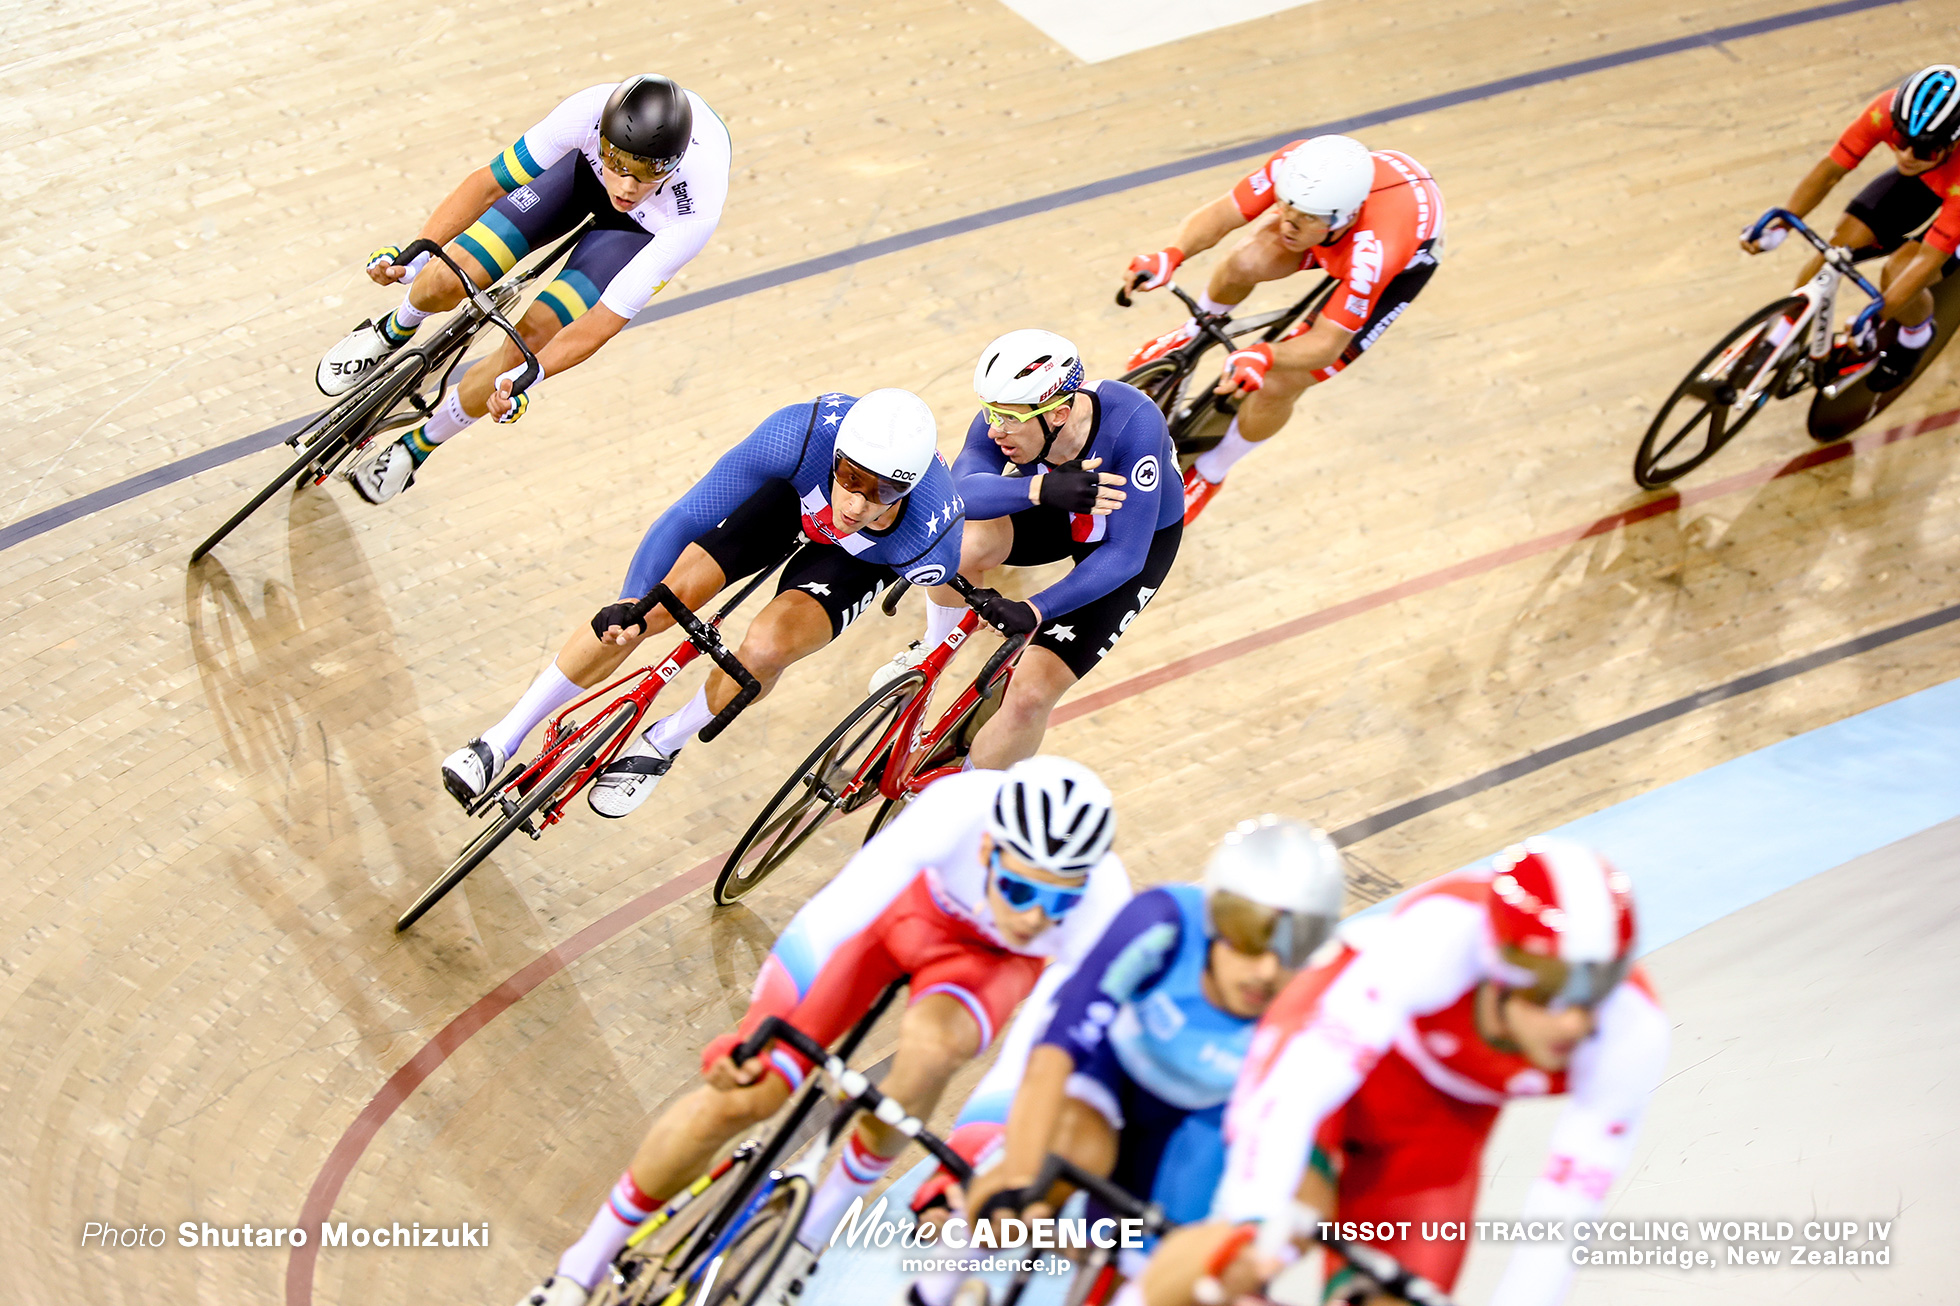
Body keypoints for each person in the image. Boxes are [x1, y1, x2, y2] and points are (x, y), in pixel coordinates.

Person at [511, 757, 1133, 1306]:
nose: (1031, 917)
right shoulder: (957, 808)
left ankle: (811, 1233)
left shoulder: (1105, 907)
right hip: (899, 918)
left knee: (932, 1055)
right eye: (1020, 887)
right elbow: (836, 914)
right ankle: (581, 1265)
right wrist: (756, 1033)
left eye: (1056, 901)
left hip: (984, 969)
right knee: (742, 1097)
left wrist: (972, 1162)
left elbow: (1033, 1058)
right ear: (989, 848)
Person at [1137, 837, 1669, 1306]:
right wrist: (1251, 1217)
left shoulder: (1630, 1029)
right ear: (1495, 964)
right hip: (1330, 1060)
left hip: (1436, 1131)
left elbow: (1568, 1205)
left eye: (1597, 987)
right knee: (1253, 1245)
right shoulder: (1438, 936)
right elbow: (1300, 1091)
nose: (1574, 1020)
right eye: (1550, 987)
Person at [440, 388, 961, 819]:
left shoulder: (929, 536)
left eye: (880, 494)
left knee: (765, 648)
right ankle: (499, 739)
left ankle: (664, 741)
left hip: (860, 561)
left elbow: (950, 597)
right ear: (836, 455)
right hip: (790, 504)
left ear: (909, 489)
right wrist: (632, 600)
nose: (855, 504)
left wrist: (934, 651)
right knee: (644, 613)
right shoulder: (797, 435)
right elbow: (687, 517)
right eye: (849, 479)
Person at [898, 816, 1347, 1306]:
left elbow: (1303, 1161)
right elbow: (1053, 1056)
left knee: (1154, 1275)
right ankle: (930, 1291)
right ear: (1215, 919)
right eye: (1247, 934)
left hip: (1196, 1124)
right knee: (1058, 1158)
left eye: (1294, 945)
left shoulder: (1317, 1008)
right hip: (1104, 1078)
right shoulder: (1160, 924)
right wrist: (1022, 1177)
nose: (1266, 968)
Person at [314, 74, 732, 503]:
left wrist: (529, 377)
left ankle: (419, 444)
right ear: (602, 139)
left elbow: (603, 322)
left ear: (674, 164)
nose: (626, 186)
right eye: (617, 161)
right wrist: (417, 253)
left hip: (641, 232)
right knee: (447, 275)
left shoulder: (696, 211)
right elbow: (489, 183)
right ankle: (394, 328)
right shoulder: (586, 111)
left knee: (528, 343)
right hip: (579, 175)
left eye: (646, 172)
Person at [869, 329, 1181, 770]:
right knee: (960, 545)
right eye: (990, 413)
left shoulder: (1133, 422)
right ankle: (929, 661)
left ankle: (968, 799)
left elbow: (1125, 556)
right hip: (1061, 504)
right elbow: (960, 493)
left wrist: (1034, 609)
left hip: (1131, 535)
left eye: (1009, 418)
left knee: (1030, 694)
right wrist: (1040, 487)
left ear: (1058, 414)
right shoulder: (1010, 416)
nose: (995, 429)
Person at [1119, 135, 1444, 524]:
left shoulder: (1373, 255)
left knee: (1278, 383)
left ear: (1346, 215)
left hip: (1395, 266)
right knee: (1246, 260)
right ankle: (1195, 329)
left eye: (1306, 215)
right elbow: (1225, 213)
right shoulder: (1297, 167)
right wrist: (1171, 254)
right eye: (1286, 205)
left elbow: (1327, 343)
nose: (1289, 220)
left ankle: (1211, 471)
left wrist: (1265, 354)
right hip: (1340, 232)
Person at [1743, 64, 1960, 392]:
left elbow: (1926, 260)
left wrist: (1877, 316)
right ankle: (1785, 332)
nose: (1905, 155)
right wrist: (1782, 223)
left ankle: (1917, 338)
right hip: (1931, 180)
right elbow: (1829, 171)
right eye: (1901, 139)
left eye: (1924, 149)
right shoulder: (1884, 112)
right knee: (1839, 246)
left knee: (1899, 272)